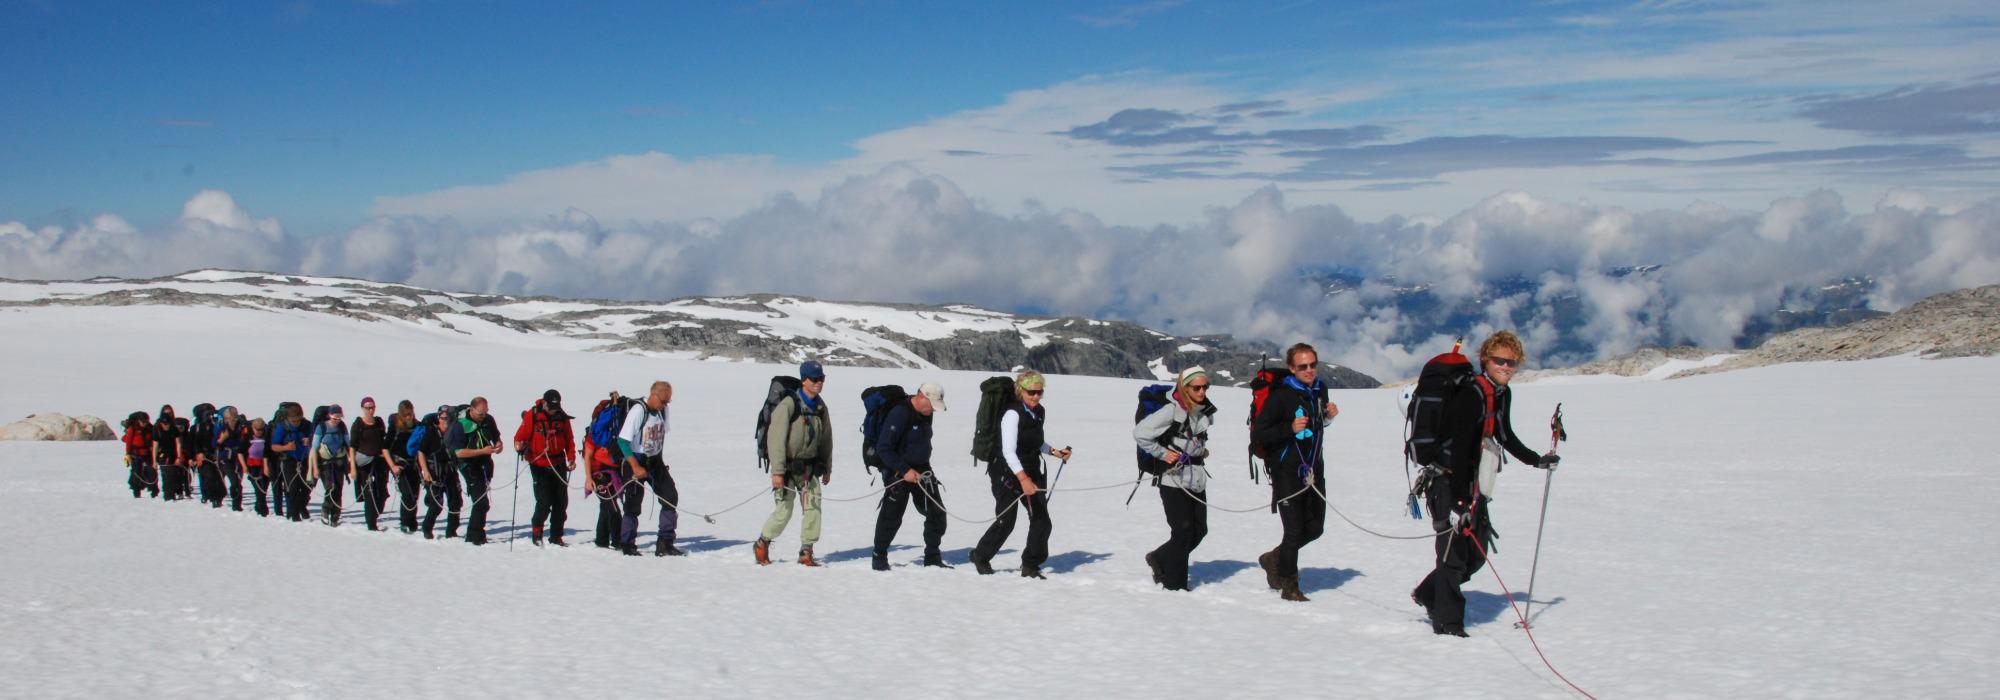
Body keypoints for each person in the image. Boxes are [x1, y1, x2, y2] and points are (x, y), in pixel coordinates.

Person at [1411, 331, 1558, 637]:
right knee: (1452, 555)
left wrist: (1535, 460)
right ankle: (1449, 625)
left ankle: (1428, 593)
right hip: (1448, 480)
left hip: (1471, 482)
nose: (1505, 367)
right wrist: (1459, 501)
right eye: (1499, 360)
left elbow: (1504, 434)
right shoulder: (1470, 395)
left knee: (1475, 554)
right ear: (1485, 360)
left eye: (1511, 362)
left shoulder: (1501, 394)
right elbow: (1460, 447)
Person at [1250, 343, 1341, 602]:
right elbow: (1260, 433)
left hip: (1313, 468)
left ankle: (1274, 558)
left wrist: (1327, 417)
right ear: (1291, 368)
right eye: (1303, 366)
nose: (1309, 370)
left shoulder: (1320, 389)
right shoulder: (1281, 396)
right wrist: (1289, 428)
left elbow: (1316, 426)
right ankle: (1289, 586)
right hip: (1286, 470)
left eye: (1313, 365)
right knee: (1293, 531)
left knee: (1315, 528)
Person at [971, 370, 1074, 579]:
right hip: (1006, 472)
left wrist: (1055, 452)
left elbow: (1035, 441)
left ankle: (1030, 565)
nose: (1036, 396)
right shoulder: (1012, 414)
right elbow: (1008, 451)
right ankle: (980, 556)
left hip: (1031, 469)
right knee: (1006, 521)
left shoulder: (1038, 412)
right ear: (1021, 391)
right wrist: (1023, 479)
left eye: (1039, 392)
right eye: (1031, 392)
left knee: (1041, 521)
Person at [1136, 367, 1217, 591]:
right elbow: (1141, 433)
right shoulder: (1171, 411)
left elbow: (1193, 438)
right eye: (1196, 387)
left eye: (1205, 387)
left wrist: (1200, 451)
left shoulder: (1204, 411)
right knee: (1182, 532)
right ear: (1184, 387)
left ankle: (1159, 557)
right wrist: (1163, 454)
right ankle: (1175, 586)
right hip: (1173, 479)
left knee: (1199, 530)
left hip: (1196, 478)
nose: (1202, 391)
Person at [756, 361, 832, 567]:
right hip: (788, 469)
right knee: (784, 511)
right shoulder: (789, 404)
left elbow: (826, 439)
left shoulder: (820, 406)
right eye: (815, 379)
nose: (819, 382)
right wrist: (778, 472)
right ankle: (763, 542)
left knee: (813, 509)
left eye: (821, 378)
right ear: (804, 380)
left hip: (810, 468)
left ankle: (806, 551)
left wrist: (827, 467)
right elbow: (776, 439)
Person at [870, 382, 950, 571]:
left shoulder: (926, 413)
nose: (933, 410)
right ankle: (879, 556)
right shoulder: (900, 413)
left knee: (937, 512)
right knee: (891, 516)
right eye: (932, 405)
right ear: (921, 396)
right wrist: (904, 470)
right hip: (898, 472)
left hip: (923, 470)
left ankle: (932, 557)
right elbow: (883, 448)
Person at [616, 382, 679, 557]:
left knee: (670, 497)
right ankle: (627, 544)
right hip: (636, 461)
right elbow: (622, 441)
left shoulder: (662, 411)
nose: (665, 405)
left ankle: (665, 543)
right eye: (663, 401)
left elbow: (660, 436)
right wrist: (635, 467)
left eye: (667, 402)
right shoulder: (638, 411)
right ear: (653, 395)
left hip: (655, 462)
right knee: (633, 505)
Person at [514, 389, 577, 547]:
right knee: (544, 501)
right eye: (551, 407)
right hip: (539, 464)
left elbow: (569, 439)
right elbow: (519, 437)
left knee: (561, 502)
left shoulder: (561, 417)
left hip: (558, 463)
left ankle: (556, 536)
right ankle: (537, 531)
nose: (553, 410)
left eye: (556, 407)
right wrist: (519, 446)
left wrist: (571, 458)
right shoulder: (533, 415)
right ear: (544, 403)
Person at [445, 397, 504, 546]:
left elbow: (496, 436)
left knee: (482, 502)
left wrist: (498, 444)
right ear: (471, 409)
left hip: (485, 464)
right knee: (481, 502)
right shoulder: (460, 425)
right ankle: (476, 536)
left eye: (485, 412)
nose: (483, 416)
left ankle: (473, 534)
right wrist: (481, 451)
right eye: (480, 413)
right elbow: (458, 452)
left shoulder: (488, 420)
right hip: (469, 466)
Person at [582, 392, 625, 550]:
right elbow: (587, 456)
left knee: (606, 506)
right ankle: (618, 541)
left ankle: (601, 540)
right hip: (599, 473)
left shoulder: (614, 432)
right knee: (613, 508)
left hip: (614, 472)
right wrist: (589, 479)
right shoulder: (595, 434)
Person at [417, 407, 463, 539]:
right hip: (434, 472)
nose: (446, 421)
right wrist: (425, 471)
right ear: (438, 418)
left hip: (450, 471)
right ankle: (427, 528)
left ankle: (452, 531)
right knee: (436, 505)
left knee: (455, 502)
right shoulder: (431, 432)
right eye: (443, 418)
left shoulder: (454, 432)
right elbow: (421, 452)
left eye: (448, 418)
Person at [349, 398, 392, 531]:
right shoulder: (358, 424)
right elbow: (352, 446)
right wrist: (353, 468)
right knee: (369, 493)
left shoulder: (379, 422)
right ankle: (371, 524)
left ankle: (375, 514)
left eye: (372, 407)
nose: (370, 410)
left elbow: (383, 441)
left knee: (382, 492)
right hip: (363, 463)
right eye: (368, 407)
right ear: (363, 408)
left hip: (379, 461)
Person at [270, 403, 315, 522]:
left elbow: (316, 439)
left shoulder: (307, 425)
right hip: (289, 460)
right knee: (293, 487)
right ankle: (295, 516)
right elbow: (274, 446)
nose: (296, 423)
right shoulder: (282, 427)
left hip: (305, 460)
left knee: (307, 486)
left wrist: (310, 441)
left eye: (298, 420)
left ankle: (301, 507)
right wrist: (286, 447)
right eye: (293, 421)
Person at [308, 405, 351, 527]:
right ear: (329, 416)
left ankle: (335, 515)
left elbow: (348, 444)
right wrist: (315, 468)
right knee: (330, 487)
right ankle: (326, 510)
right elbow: (314, 448)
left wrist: (351, 462)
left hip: (339, 462)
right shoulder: (321, 427)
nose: (337, 420)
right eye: (335, 418)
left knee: (338, 488)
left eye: (339, 418)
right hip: (325, 463)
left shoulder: (342, 427)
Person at [385, 400, 422, 534]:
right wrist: (392, 466)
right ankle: (405, 522)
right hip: (399, 464)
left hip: (414, 464)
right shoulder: (395, 427)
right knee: (407, 494)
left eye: (410, 414)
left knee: (415, 494)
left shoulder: (418, 426)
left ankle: (412, 521)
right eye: (406, 414)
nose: (409, 417)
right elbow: (385, 448)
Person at [212, 406, 250, 512]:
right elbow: (214, 443)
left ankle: (236, 504)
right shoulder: (221, 428)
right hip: (225, 457)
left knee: (237, 481)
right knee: (230, 480)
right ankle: (218, 499)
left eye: (234, 418)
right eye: (230, 419)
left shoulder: (242, 427)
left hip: (239, 457)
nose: (233, 421)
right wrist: (222, 439)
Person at [121, 411, 157, 498]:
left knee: (151, 472)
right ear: (138, 421)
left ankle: (153, 490)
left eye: (146, 421)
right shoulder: (133, 429)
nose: (144, 423)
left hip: (148, 454)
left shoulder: (150, 428)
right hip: (135, 455)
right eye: (143, 421)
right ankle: (136, 491)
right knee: (136, 473)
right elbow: (128, 442)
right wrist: (128, 454)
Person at [154, 405, 186, 502]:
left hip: (173, 453)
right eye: (166, 413)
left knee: (175, 473)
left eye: (170, 413)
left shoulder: (174, 427)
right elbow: (155, 445)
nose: (166, 425)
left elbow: (178, 443)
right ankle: (168, 495)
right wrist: (154, 460)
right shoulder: (157, 428)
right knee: (166, 474)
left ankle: (177, 491)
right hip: (163, 454)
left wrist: (179, 457)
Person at [245, 418, 270, 516]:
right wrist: (244, 466)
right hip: (253, 466)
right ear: (253, 428)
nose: (259, 431)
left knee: (264, 487)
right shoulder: (248, 437)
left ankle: (259, 505)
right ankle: (263, 508)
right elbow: (240, 452)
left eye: (261, 429)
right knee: (258, 488)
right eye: (257, 429)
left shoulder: (267, 437)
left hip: (265, 465)